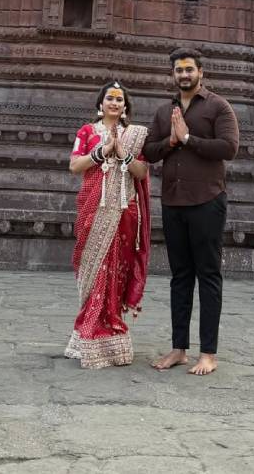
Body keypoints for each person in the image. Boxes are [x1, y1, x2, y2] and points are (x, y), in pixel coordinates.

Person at [144, 48, 240, 376]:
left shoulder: (218, 107)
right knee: (180, 277)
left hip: (207, 201)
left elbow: (229, 148)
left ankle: (209, 354)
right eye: (178, 71)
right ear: (172, 74)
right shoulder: (164, 111)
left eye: (188, 69)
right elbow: (149, 151)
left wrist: (188, 138)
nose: (183, 75)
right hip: (173, 202)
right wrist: (171, 142)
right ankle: (179, 349)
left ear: (201, 72)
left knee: (208, 276)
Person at [65, 81, 152, 369]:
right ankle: (88, 333)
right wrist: (103, 153)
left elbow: (142, 171)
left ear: (125, 106)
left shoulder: (136, 135)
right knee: (95, 268)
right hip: (94, 209)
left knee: (117, 270)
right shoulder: (87, 131)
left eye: (119, 99)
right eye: (109, 98)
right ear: (100, 104)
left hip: (125, 212)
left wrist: (124, 154)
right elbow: (74, 166)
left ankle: (112, 327)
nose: (114, 103)